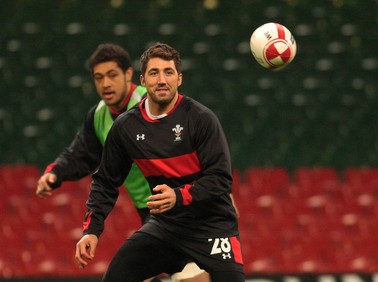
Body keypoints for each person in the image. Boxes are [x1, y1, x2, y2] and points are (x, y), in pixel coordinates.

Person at [36, 43, 208, 282]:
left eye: (112, 75)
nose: (105, 83)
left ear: (129, 75)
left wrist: (220, 193)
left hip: (181, 204)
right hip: (149, 211)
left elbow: (198, 145)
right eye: (98, 77)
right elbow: (81, 155)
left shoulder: (153, 103)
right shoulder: (98, 117)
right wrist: (55, 174)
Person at [74, 42, 245, 282]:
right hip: (166, 228)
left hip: (213, 226)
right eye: (154, 73)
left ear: (180, 78)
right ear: (143, 80)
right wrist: (91, 231)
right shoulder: (125, 127)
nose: (162, 80)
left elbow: (220, 179)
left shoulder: (201, 119)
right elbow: (105, 182)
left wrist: (178, 196)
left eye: (169, 72)